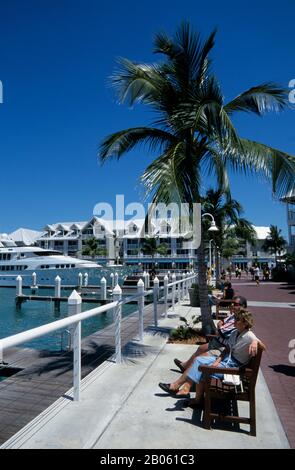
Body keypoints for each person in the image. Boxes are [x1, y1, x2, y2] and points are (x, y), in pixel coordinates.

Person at [159, 309, 265, 403]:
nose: (235, 321)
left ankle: (192, 396)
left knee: (202, 368)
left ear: (245, 323)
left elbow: (263, 347)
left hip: (233, 369)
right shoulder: (235, 333)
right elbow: (226, 350)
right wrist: (216, 362)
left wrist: (255, 342)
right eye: (235, 318)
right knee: (199, 360)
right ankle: (189, 392)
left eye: (238, 319)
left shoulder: (249, 336)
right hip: (226, 362)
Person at [171, 295, 247, 376]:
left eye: (235, 304)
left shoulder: (239, 321)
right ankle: (185, 366)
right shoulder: (233, 316)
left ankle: (187, 374)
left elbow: (220, 332)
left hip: (223, 347)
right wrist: (220, 327)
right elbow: (220, 322)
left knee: (200, 357)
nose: (232, 305)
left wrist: (220, 329)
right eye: (232, 303)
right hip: (218, 342)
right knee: (201, 348)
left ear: (243, 306)